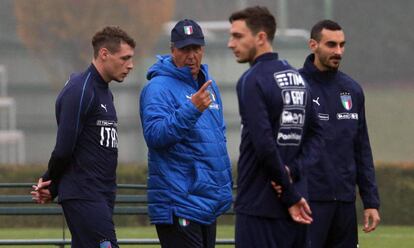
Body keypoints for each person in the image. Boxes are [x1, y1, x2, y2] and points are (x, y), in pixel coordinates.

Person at [228, 6, 324, 248]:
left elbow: (264, 146)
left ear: (261, 37)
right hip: (298, 206)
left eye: (238, 36)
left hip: (260, 207)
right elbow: (318, 136)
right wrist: (293, 170)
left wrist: (289, 194)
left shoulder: (251, 80)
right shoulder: (299, 78)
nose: (231, 43)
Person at [30, 26, 135, 248]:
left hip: (101, 195)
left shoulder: (105, 91)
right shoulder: (80, 90)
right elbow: (64, 149)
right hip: (84, 194)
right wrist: (50, 182)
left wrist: (53, 186)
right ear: (104, 54)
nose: (130, 65)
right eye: (124, 58)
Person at [139, 19, 233, 248]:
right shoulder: (157, 88)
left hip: (206, 201)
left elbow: (217, 137)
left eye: (196, 48)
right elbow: (155, 135)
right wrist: (192, 109)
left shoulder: (208, 86)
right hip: (180, 201)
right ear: (172, 50)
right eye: (184, 49)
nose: (191, 55)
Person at [299, 20, 381, 247]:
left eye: (342, 45)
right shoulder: (296, 86)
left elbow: (362, 148)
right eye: (331, 45)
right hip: (308, 202)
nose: (338, 51)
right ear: (313, 45)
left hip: (344, 203)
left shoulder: (352, 90)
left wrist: (371, 201)